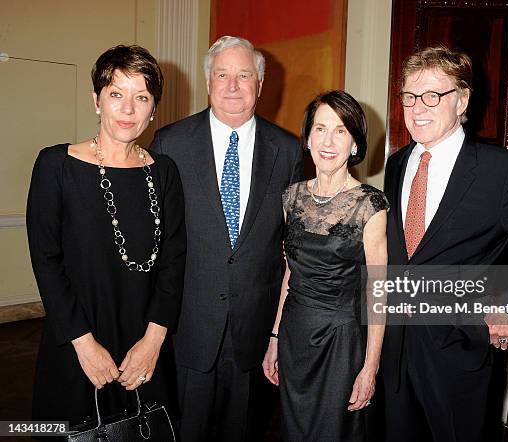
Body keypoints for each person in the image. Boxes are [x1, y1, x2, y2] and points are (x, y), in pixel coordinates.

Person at [381, 46, 508, 441]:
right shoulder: (397, 163)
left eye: (433, 95)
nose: (418, 107)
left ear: (462, 100)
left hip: (459, 350)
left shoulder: (500, 171)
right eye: (409, 96)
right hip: (394, 344)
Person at [150, 35, 303, 441]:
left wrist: (276, 334)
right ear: (208, 82)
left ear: (260, 84)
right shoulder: (170, 144)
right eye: (222, 75)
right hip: (187, 330)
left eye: (244, 75)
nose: (232, 86)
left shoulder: (288, 151)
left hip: (253, 337)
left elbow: (293, 249)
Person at [27, 45, 186, 428]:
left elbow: (173, 262)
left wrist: (153, 343)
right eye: (116, 94)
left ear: (153, 109)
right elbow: (46, 262)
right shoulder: (56, 165)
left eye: (141, 97)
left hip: (144, 346)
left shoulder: (164, 172)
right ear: (96, 100)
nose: (128, 109)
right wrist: (84, 345)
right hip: (77, 341)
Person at [262, 90, 388, 441]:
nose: (328, 141)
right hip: (295, 339)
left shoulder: (370, 204)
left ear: (355, 144)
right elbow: (291, 272)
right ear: (307, 137)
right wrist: (274, 337)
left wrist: (370, 368)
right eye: (320, 129)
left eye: (340, 130)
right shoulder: (292, 197)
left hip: (341, 345)